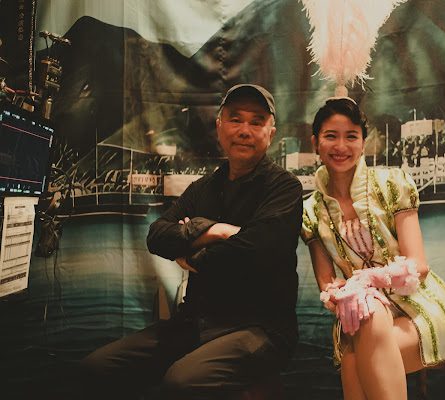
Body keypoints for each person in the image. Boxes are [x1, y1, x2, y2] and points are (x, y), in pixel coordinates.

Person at [80, 84, 303, 399]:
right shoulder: (202, 188)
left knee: (181, 382)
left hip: (261, 327)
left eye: (256, 121)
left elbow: (256, 252)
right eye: (235, 119)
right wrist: (215, 231)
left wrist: (191, 256)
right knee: (97, 367)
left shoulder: (284, 187)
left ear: (271, 133)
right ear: (219, 126)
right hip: (196, 319)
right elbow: (157, 235)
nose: (245, 130)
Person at [301, 98, 445, 400]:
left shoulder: (392, 183)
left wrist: (369, 279)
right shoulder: (311, 211)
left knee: (355, 360)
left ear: (363, 143)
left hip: (420, 305)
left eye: (351, 136)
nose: (341, 146)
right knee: (367, 312)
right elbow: (326, 283)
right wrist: (345, 293)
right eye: (331, 136)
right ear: (315, 142)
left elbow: (419, 265)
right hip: (358, 316)